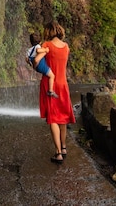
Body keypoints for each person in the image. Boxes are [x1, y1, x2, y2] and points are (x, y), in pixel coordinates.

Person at [39, 21, 75, 164]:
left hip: (50, 83)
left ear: (48, 31)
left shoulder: (46, 45)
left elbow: (37, 61)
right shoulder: (66, 47)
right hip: (63, 84)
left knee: (53, 118)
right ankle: (64, 147)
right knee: (63, 117)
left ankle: (58, 153)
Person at [26, 32, 59, 98]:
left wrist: (31, 64)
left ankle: (50, 91)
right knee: (52, 76)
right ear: (40, 42)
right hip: (40, 65)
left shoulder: (29, 50)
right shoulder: (38, 46)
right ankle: (50, 90)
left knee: (49, 75)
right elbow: (38, 50)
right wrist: (46, 50)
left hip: (36, 66)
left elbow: (26, 59)